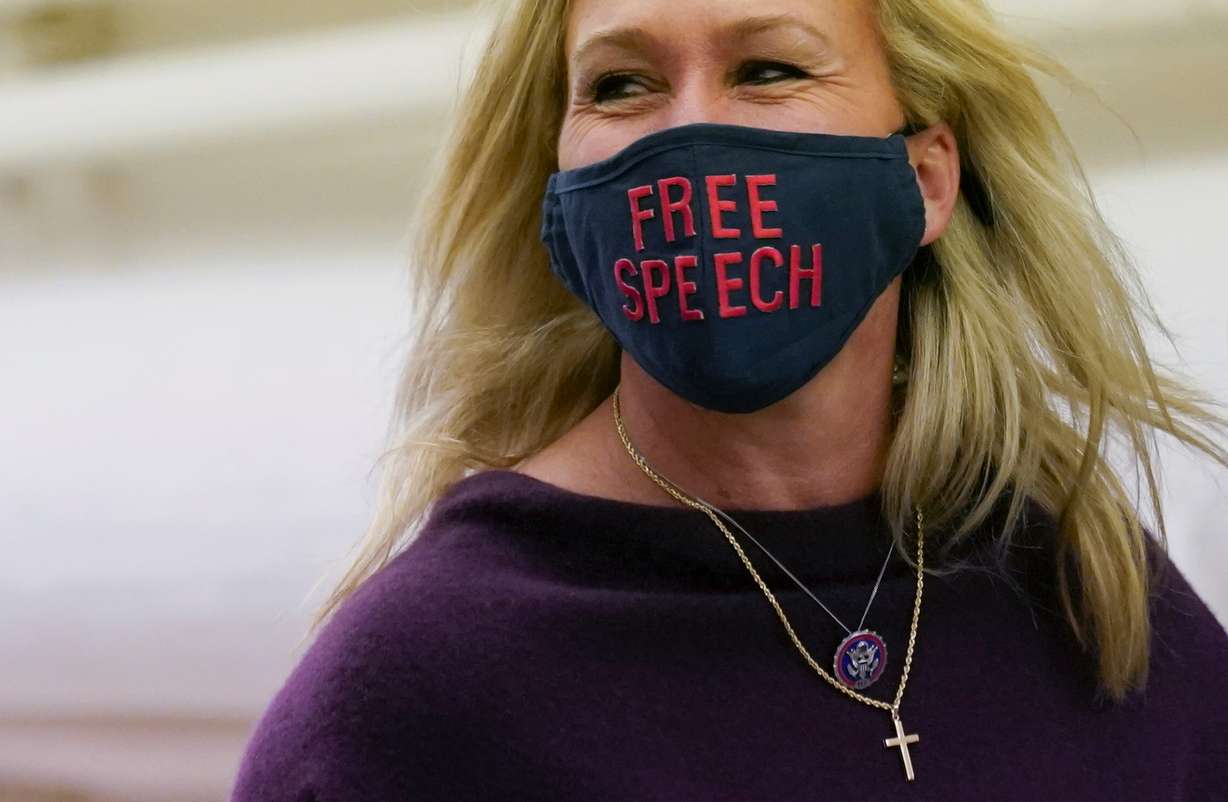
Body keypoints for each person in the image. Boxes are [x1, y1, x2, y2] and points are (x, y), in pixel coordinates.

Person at [230, 0, 1228, 799]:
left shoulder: (1092, 596)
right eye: (621, 84)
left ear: (924, 180)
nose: (692, 131)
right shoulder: (423, 688)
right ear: (560, 207)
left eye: (769, 69)